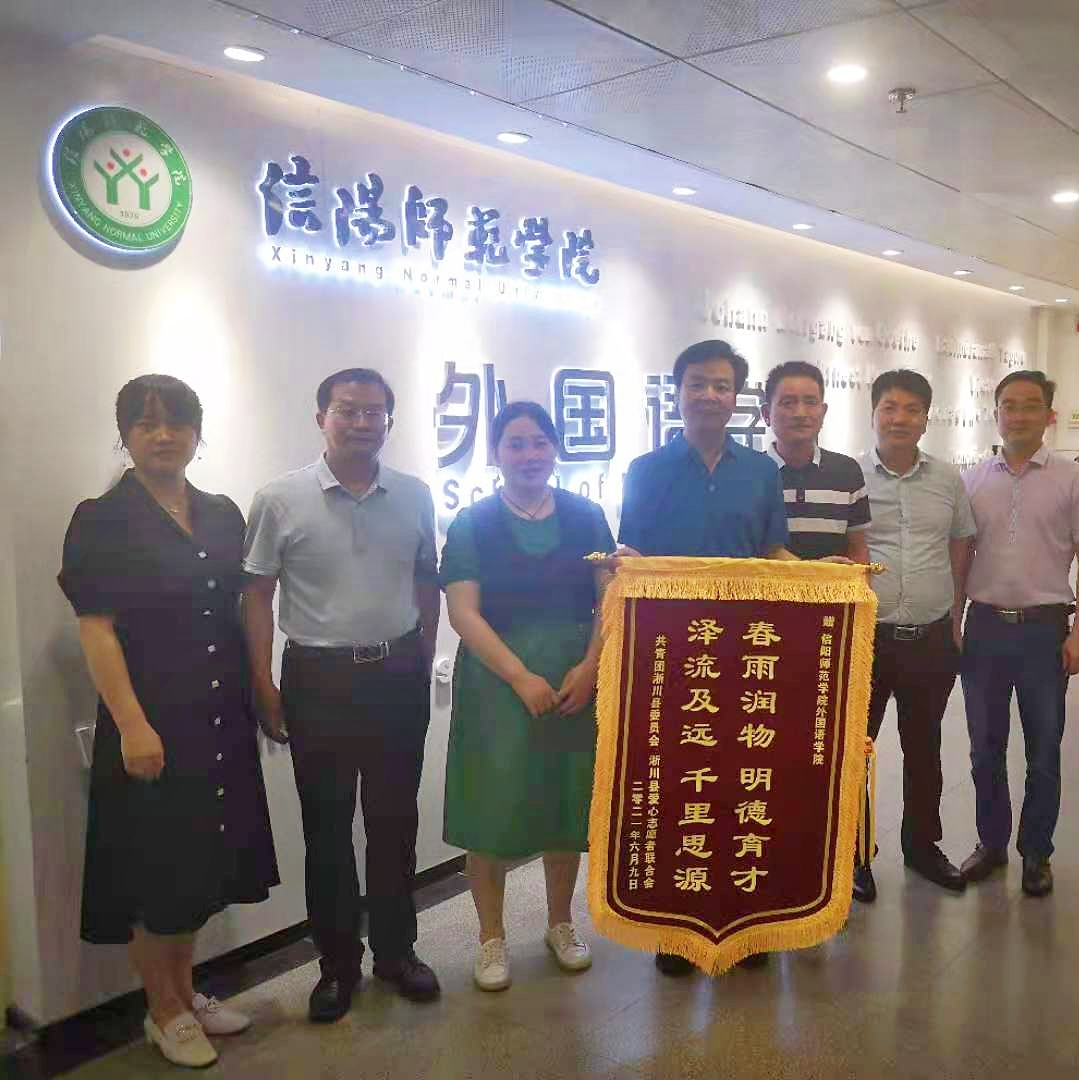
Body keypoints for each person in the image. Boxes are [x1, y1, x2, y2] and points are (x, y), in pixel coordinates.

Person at [58, 375, 278, 1069]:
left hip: (219, 715)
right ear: (124, 434)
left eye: (177, 422)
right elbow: (96, 629)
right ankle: (163, 1010)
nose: (163, 435)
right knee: (157, 870)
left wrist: (260, 692)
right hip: (153, 716)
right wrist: (131, 724)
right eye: (146, 423)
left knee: (200, 865)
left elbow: (244, 607)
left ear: (196, 433)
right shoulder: (102, 518)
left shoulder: (220, 513)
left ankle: (186, 994)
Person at [241, 368, 442, 1022]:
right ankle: (336, 966)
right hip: (319, 679)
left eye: (374, 412)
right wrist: (263, 682)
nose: (361, 422)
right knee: (326, 828)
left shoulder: (414, 495)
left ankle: (396, 953)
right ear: (320, 417)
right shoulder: (279, 499)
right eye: (347, 410)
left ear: (389, 421)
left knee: (395, 822)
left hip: (396, 674)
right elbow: (257, 594)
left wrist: (421, 655)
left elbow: (427, 580)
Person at [616, 339, 793, 976]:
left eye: (722, 385)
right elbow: (632, 554)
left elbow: (774, 553)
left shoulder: (761, 471)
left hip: (749, 652)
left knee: (746, 783)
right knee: (677, 786)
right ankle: (676, 928)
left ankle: (746, 920)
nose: (710, 395)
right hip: (672, 655)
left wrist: (828, 580)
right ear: (678, 392)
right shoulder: (646, 470)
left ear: (737, 397)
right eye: (698, 383)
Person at [439, 402, 613, 992]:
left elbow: (609, 600)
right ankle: (491, 937)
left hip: (572, 681)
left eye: (540, 442)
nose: (529, 455)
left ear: (555, 449)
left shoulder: (587, 516)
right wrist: (518, 676)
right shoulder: (472, 523)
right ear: (495, 453)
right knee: (490, 809)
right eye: (515, 443)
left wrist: (591, 666)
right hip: (496, 686)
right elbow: (463, 612)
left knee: (565, 805)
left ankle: (560, 923)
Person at [956, 371, 1079, 898]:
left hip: (1044, 630)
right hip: (984, 627)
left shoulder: (1074, 479)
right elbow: (961, 556)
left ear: (1049, 415)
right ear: (995, 412)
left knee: (1043, 749)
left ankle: (1037, 853)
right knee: (984, 748)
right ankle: (991, 844)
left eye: (1031, 406)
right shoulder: (972, 480)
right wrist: (954, 621)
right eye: (1009, 406)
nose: (1019, 415)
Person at [856, 370, 977, 903]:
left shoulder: (947, 479)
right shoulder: (852, 476)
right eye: (889, 407)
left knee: (924, 746)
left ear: (926, 418)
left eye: (911, 409)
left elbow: (961, 543)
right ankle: (853, 854)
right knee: (855, 750)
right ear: (874, 414)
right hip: (866, 638)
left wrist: (955, 614)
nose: (899, 418)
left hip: (930, 637)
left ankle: (923, 847)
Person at [761, 360, 870, 563]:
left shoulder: (847, 471)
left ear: (823, 411)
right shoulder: (753, 474)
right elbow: (755, 552)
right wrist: (812, 572)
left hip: (837, 585)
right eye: (788, 403)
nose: (800, 413)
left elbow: (858, 549)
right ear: (766, 414)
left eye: (810, 402)